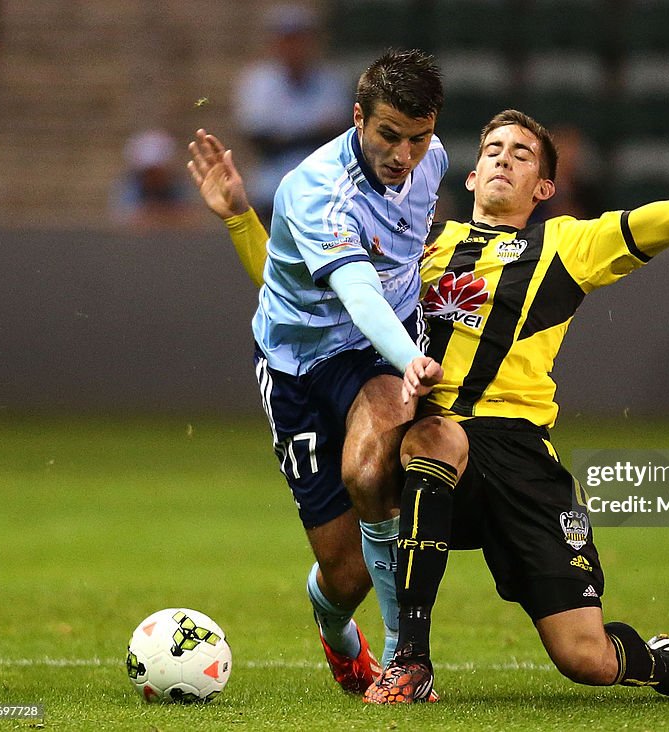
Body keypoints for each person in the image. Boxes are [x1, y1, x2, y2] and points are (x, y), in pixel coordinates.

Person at [194, 101, 669, 703]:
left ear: (544, 187)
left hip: (522, 461)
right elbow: (310, 297)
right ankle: (410, 661)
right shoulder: (418, 248)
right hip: (433, 447)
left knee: (585, 658)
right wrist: (237, 216)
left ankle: (666, 665)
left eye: (521, 154)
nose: (502, 160)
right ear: (470, 176)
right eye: (491, 151)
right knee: (433, 439)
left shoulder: (569, 244)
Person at [189, 48, 446, 696]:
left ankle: (402, 662)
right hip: (297, 365)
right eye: (389, 135)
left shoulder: (431, 161)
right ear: (357, 117)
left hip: (373, 355)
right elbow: (359, 292)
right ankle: (337, 635)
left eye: (418, 138)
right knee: (346, 572)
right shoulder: (313, 190)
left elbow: (397, 264)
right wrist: (412, 355)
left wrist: (404, 347)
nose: (403, 155)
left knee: (370, 471)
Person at [234, 4, 352, 227]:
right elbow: (260, 139)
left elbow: (338, 135)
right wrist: (312, 132)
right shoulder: (258, 81)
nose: (293, 47)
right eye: (287, 39)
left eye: (299, 39)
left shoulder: (330, 80)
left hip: (322, 192)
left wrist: (285, 134)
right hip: (271, 191)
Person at [111, 129, 199, 229]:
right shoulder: (130, 186)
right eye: (149, 172)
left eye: (157, 171)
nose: (153, 177)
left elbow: (191, 218)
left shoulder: (179, 186)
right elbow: (124, 219)